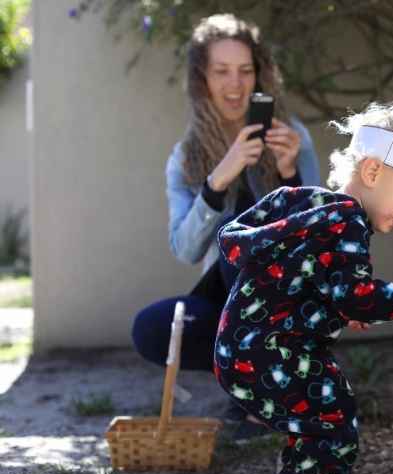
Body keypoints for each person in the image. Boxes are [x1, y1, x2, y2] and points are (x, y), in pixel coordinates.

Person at [213, 90, 393, 474]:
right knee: (333, 420)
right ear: (373, 170)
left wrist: (336, 308)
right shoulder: (348, 221)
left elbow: (304, 285)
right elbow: (357, 295)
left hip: (244, 350)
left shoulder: (308, 204)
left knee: (315, 418)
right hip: (274, 353)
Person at [131, 13, 321, 441]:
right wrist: (219, 179)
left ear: (259, 75)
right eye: (221, 72)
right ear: (202, 79)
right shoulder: (186, 158)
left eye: (245, 71)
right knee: (150, 329)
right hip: (229, 304)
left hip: (290, 303)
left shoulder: (294, 139)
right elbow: (185, 249)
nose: (235, 85)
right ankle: (255, 387)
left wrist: (290, 174)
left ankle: (266, 394)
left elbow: (321, 239)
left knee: (249, 249)